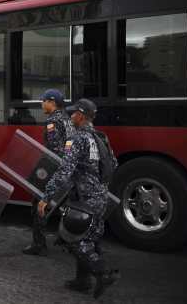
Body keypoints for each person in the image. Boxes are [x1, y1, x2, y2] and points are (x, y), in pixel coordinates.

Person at [38, 98, 119, 299]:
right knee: (91, 237)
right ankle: (82, 281)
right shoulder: (101, 137)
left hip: (84, 199)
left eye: (73, 113)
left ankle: (103, 273)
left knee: (72, 238)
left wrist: (46, 197)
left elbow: (64, 171)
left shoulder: (76, 139)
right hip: (101, 196)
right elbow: (113, 164)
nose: (71, 116)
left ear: (81, 116)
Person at [23, 89, 74, 257]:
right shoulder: (67, 118)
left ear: (52, 102)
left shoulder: (52, 121)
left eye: (43, 100)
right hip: (69, 167)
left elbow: (53, 150)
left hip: (55, 168)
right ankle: (68, 240)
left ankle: (39, 244)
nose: (41, 103)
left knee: (38, 203)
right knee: (65, 205)